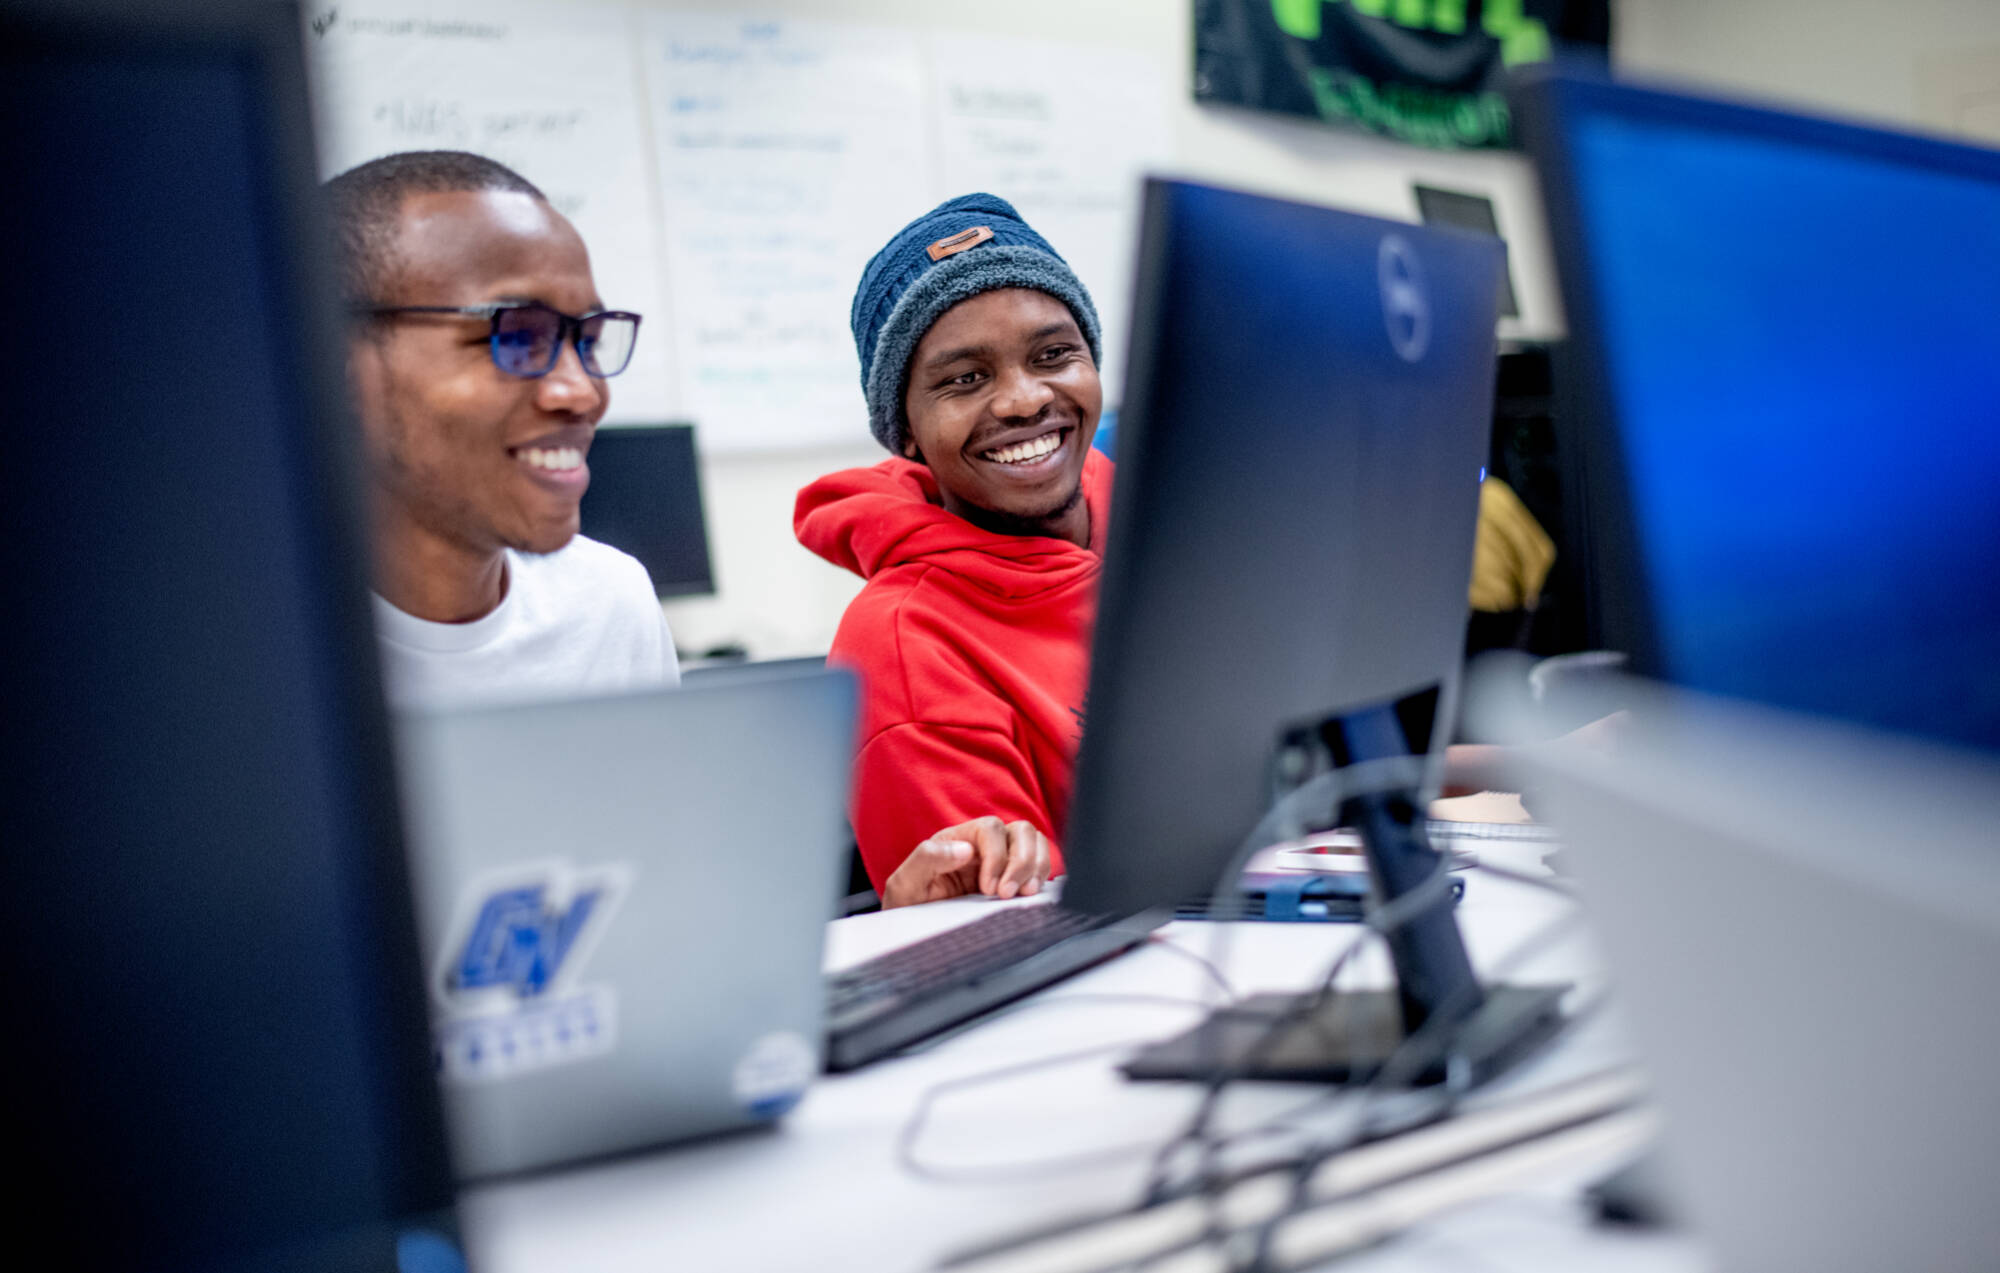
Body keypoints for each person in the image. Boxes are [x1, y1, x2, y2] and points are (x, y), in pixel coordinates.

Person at [797, 194, 1106, 907]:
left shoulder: (1172, 531)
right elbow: (1013, 936)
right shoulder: (904, 644)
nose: (1025, 400)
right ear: (905, 431)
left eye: (1054, 354)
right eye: (965, 379)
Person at [324, 151, 678, 709]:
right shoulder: (235, 654)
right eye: (514, 336)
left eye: (585, 341)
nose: (583, 392)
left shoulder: (610, 602)